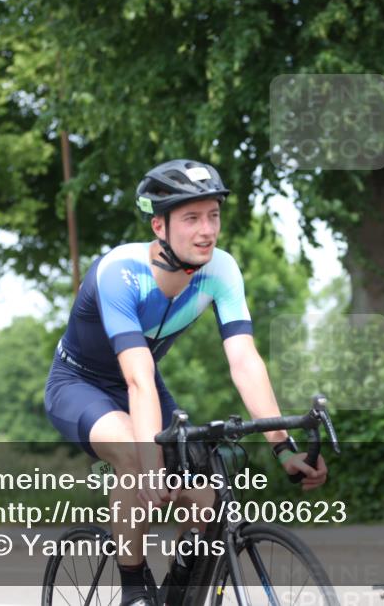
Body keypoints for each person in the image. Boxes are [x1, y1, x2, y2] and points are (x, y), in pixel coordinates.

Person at [44, 160, 328, 606]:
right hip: (80, 385)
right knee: (137, 454)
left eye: (213, 216)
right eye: (192, 218)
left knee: (207, 495)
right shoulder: (119, 272)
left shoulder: (222, 271)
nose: (207, 230)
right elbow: (137, 378)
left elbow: (244, 361)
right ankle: (134, 588)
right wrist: (150, 465)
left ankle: (178, 590)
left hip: (145, 385)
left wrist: (283, 447)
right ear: (159, 225)